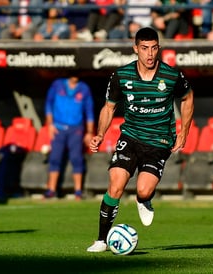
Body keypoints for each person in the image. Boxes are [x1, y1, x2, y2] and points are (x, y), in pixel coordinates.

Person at [86, 27, 194, 252]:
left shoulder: (171, 75)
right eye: (144, 48)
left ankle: (144, 199)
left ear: (159, 48)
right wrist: (100, 134)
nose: (150, 54)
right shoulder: (121, 75)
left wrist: (184, 131)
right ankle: (101, 240)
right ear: (136, 49)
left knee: (143, 190)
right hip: (131, 136)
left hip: (159, 141)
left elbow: (188, 97)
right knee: (116, 184)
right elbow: (109, 108)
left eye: (154, 48)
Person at [43, 74, 95, 200]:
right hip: (58, 127)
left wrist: (89, 131)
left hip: (76, 128)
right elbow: (48, 104)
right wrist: (49, 124)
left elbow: (89, 111)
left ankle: (78, 191)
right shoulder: (57, 84)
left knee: (76, 158)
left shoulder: (84, 88)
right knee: (55, 158)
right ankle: (51, 190)